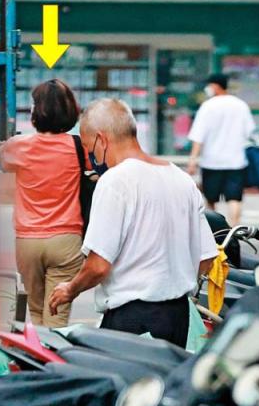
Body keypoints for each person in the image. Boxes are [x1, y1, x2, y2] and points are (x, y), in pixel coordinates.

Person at [49, 99, 217, 347]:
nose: (91, 156)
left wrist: (70, 289)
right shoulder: (181, 179)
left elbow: (98, 266)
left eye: (89, 148)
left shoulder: (115, 181)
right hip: (178, 316)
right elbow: (207, 258)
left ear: (101, 140)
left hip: (132, 318)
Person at [0, 80, 86, 328]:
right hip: (67, 239)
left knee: (35, 312)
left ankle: (36, 360)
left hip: (28, 241)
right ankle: (53, 362)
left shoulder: (18, 147)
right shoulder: (78, 147)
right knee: (57, 315)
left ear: (35, 111)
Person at [187, 74, 256, 226]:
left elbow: (198, 136)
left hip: (212, 161)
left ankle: (217, 231)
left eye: (209, 86)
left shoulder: (208, 106)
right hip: (236, 161)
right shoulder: (240, 105)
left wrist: (192, 160)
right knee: (235, 198)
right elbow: (250, 132)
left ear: (216, 86)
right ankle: (235, 228)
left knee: (211, 198)